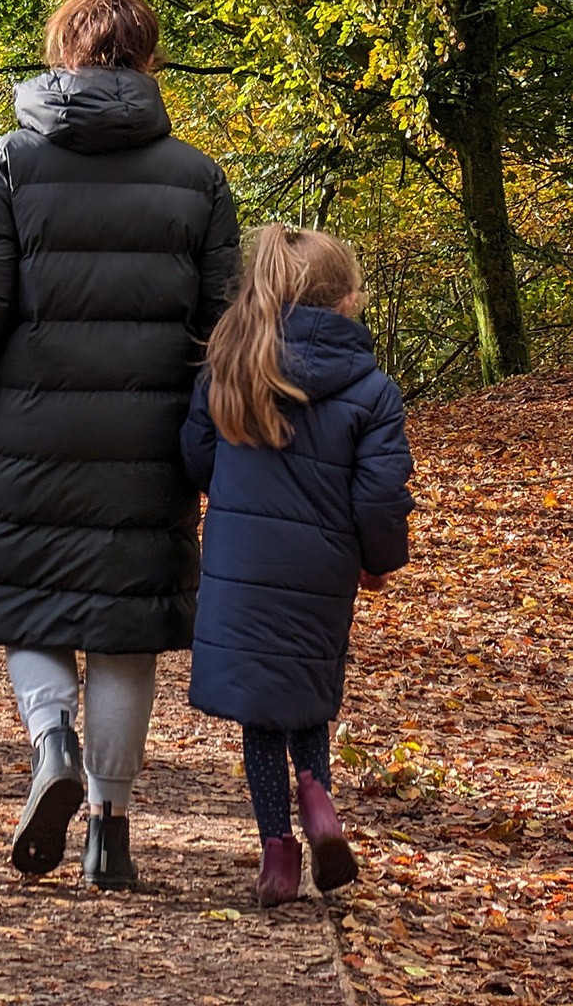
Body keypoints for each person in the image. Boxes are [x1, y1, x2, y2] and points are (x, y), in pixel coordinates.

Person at [0, 0, 239, 889]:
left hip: (33, 429)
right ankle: (110, 832)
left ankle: (50, 740)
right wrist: (219, 445)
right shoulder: (199, 179)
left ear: (66, 50)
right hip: (148, 440)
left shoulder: (8, 162)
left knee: (32, 602)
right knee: (126, 631)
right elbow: (221, 330)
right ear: (146, 59)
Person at [181, 223, 414, 907]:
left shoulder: (228, 363)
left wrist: (226, 488)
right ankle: (319, 802)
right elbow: (379, 495)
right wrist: (379, 561)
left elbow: (195, 452)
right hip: (322, 567)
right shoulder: (372, 391)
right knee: (310, 703)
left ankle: (277, 855)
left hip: (240, 562)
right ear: (345, 301)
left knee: (261, 718)